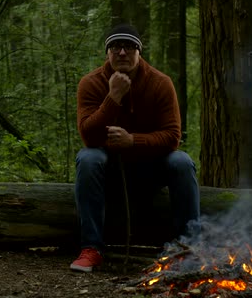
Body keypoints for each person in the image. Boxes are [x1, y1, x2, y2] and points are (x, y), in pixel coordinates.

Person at [70, 24, 200, 272]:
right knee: (87, 158)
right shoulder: (91, 83)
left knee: (182, 161)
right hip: (108, 169)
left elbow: (172, 136)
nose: (122, 53)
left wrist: (133, 140)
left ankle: (189, 249)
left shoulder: (160, 83)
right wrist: (113, 97)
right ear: (107, 52)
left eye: (129, 47)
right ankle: (91, 248)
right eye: (115, 47)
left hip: (151, 166)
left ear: (139, 52)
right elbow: (88, 135)